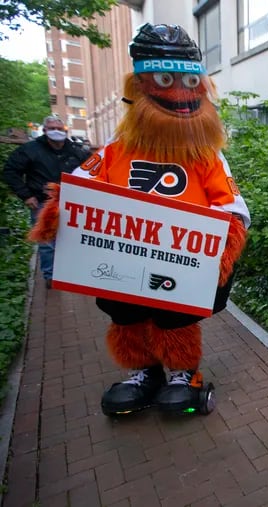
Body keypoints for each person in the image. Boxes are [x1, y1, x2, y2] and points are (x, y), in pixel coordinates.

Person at [28, 23, 250, 416]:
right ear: (140, 86)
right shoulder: (115, 150)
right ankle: (144, 372)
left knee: (174, 317)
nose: (179, 93)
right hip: (121, 254)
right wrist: (58, 211)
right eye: (165, 79)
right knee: (126, 313)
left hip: (179, 261)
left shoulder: (206, 156)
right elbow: (81, 187)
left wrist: (222, 244)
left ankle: (183, 373)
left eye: (188, 80)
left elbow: (230, 205)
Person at [3, 115, 90, 288]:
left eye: (59, 128)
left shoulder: (75, 150)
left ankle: (72, 272)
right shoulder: (30, 150)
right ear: (44, 130)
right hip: (43, 203)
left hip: (72, 202)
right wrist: (26, 195)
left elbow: (92, 168)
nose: (56, 132)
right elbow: (10, 171)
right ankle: (51, 276)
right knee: (47, 242)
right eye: (52, 128)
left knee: (72, 239)